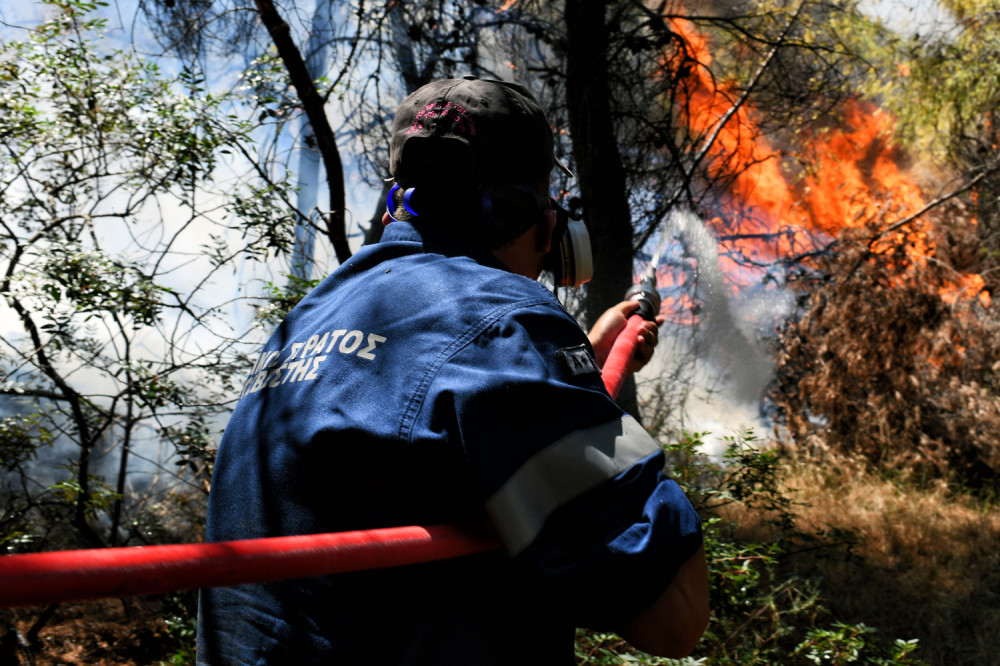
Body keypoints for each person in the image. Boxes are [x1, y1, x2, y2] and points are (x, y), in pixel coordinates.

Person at [197, 76, 708, 665]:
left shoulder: (308, 318)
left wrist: (576, 374)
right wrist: (595, 422)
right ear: (543, 221)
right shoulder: (505, 323)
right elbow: (674, 617)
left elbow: (414, 424)